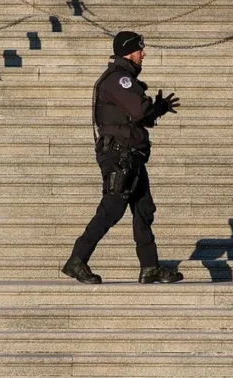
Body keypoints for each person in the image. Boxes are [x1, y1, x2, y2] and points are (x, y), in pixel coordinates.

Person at [62, 31, 184, 284]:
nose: (144, 53)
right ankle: (77, 259)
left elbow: (140, 116)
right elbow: (140, 110)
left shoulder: (124, 78)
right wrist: (152, 107)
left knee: (143, 210)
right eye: (140, 49)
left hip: (132, 154)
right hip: (120, 154)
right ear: (129, 52)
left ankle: (150, 267)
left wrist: (158, 109)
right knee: (112, 208)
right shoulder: (119, 79)